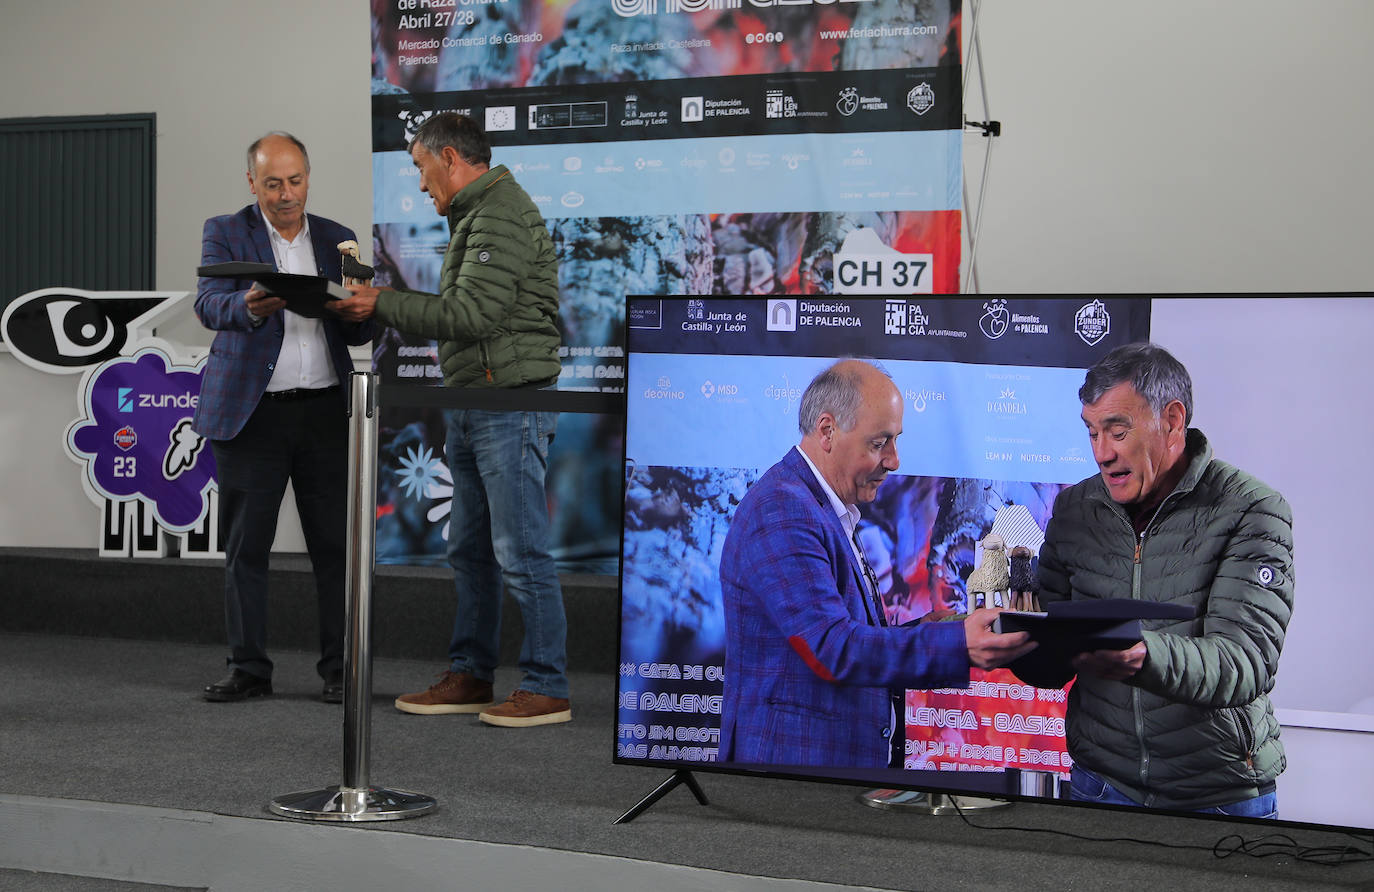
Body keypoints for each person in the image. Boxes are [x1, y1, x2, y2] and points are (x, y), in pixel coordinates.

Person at [332, 113, 570, 728]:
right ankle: (472, 674)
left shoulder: (500, 214)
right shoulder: (479, 215)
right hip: (477, 401)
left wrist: (381, 302)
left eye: (419, 166)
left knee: (519, 551)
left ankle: (548, 684)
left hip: (509, 403)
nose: (418, 182)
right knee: (469, 549)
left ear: (450, 158)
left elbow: (474, 315)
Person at [1011, 342, 1293, 817]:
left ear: (1173, 421)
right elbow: (1054, 660)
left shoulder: (1253, 510)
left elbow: (1247, 661)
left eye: (1117, 432)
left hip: (1219, 796)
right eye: (1092, 433)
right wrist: (1014, 639)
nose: (1102, 453)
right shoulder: (1075, 510)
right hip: (1100, 783)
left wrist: (1143, 655)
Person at [716, 359, 1036, 768]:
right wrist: (958, 645)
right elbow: (831, 647)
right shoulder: (783, 510)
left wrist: (929, 629)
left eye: (895, 440)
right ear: (827, 431)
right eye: (879, 443)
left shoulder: (821, 506)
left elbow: (845, 634)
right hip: (794, 774)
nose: (895, 459)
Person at [193, 132, 375, 704]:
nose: (286, 193)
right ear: (252, 182)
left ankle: (341, 670)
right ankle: (248, 667)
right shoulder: (225, 230)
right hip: (252, 417)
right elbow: (206, 304)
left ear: (307, 177)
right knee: (246, 547)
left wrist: (360, 307)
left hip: (325, 411)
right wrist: (245, 306)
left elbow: (364, 331)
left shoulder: (337, 237)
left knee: (334, 548)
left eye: (295, 180)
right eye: (272, 183)